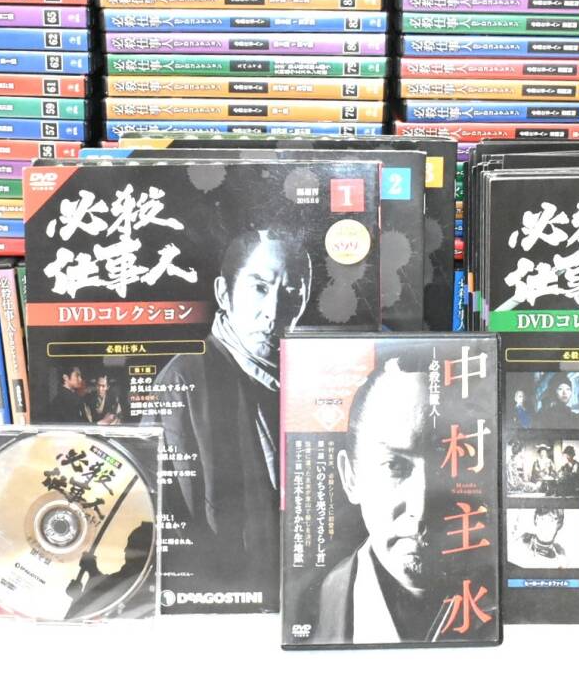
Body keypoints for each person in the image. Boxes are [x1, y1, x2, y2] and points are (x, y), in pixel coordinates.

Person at [155, 228, 312, 600]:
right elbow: (168, 523)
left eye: (292, 293)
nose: (273, 311)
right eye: (259, 287)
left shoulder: (308, 378)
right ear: (223, 294)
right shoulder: (184, 379)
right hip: (220, 597)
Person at [304, 357, 450, 644]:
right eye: (394, 466)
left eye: (445, 462)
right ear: (350, 477)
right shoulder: (308, 608)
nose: (420, 508)